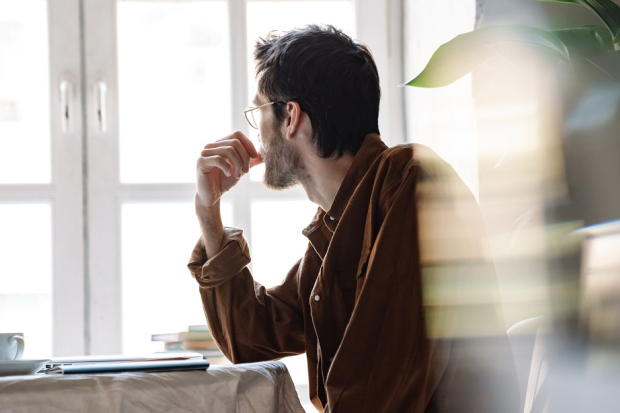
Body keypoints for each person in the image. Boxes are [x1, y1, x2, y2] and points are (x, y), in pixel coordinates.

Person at [188, 25, 518, 412]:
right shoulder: (336, 224)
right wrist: (207, 211)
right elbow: (251, 337)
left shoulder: (411, 180)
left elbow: (376, 387)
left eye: (258, 110)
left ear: (290, 115)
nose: (255, 130)